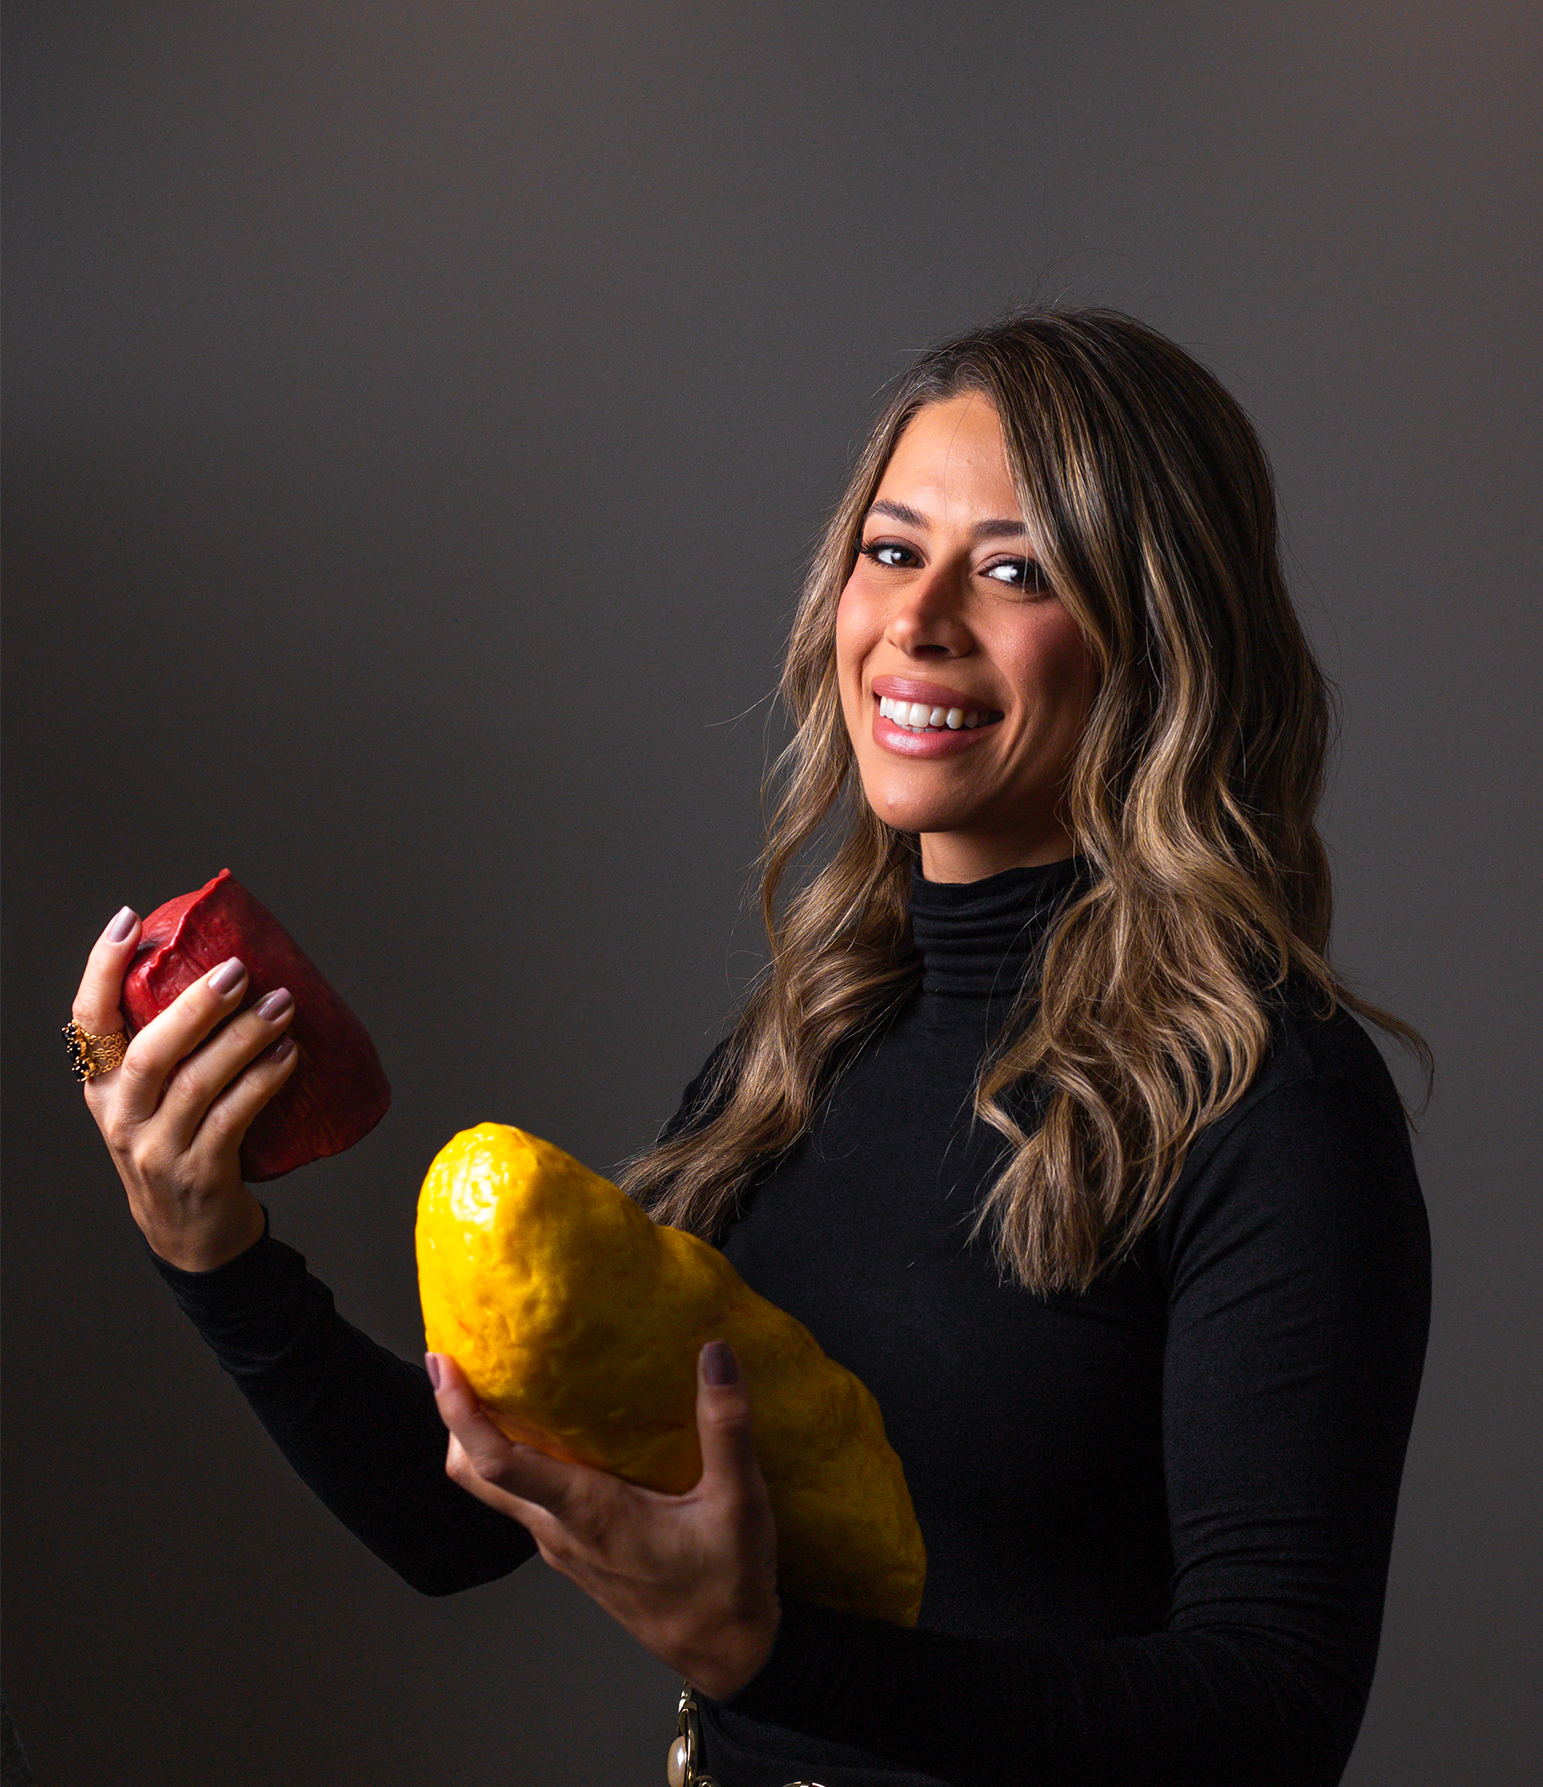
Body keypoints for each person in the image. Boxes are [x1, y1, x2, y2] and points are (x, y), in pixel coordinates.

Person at [69, 311, 1431, 1787]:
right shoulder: (813, 1041)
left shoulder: (1268, 1101)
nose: (918, 621)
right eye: (892, 551)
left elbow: (1271, 1709)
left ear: (1162, 638)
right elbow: (460, 1522)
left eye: (1017, 571)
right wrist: (212, 1251)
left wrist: (772, 1659)